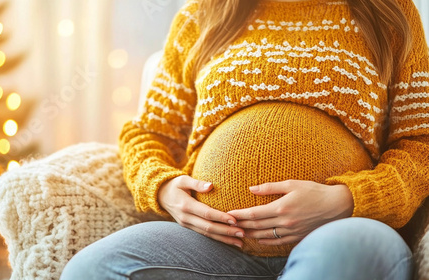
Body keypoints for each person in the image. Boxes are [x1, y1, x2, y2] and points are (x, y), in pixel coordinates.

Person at [61, 0, 429, 279]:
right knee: (92, 269)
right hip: (211, 245)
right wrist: (164, 189)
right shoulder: (204, 15)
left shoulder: (387, 12)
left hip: (339, 231)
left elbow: (420, 143)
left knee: (349, 254)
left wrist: (346, 200)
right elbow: (150, 134)